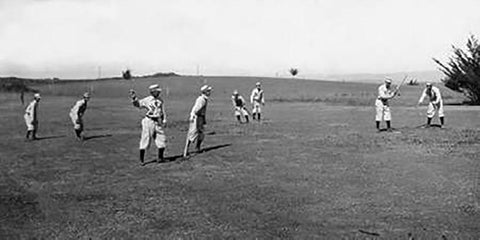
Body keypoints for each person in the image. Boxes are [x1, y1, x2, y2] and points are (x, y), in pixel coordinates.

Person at [130, 84, 167, 165]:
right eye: (157, 91)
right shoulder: (147, 100)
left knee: (162, 139)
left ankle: (160, 158)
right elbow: (138, 104)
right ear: (152, 92)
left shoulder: (160, 100)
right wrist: (134, 98)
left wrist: (164, 120)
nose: (158, 93)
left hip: (157, 121)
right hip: (148, 121)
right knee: (145, 139)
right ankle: (141, 160)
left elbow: (162, 111)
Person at [183, 85, 212, 157]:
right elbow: (196, 109)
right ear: (205, 92)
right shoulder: (201, 100)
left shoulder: (204, 99)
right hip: (197, 118)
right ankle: (187, 150)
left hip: (200, 117)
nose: (210, 92)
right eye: (208, 91)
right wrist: (193, 116)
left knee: (201, 134)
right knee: (192, 134)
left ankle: (197, 148)